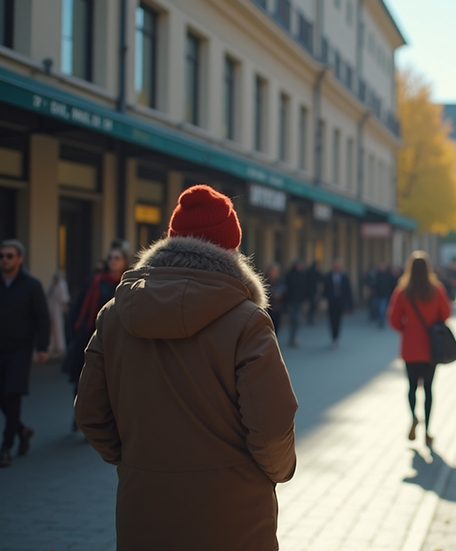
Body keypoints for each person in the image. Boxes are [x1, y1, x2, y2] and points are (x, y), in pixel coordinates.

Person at [74, 184, 297, 551]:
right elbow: (271, 427)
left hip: (144, 508)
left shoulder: (114, 316)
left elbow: (89, 413)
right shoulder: (247, 321)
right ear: (231, 248)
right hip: (234, 513)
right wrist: (277, 472)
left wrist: (137, 461)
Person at [387, 252, 452, 447]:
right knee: (429, 389)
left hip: (410, 348)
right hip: (432, 348)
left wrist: (407, 330)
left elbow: (393, 319)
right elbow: (446, 314)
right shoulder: (437, 289)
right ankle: (428, 430)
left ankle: (414, 417)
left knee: (412, 387)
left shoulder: (402, 291)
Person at [63, 244, 132, 412]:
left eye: (117, 258)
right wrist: (73, 330)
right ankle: (80, 412)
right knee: (83, 376)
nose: (113, 261)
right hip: (89, 334)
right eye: (111, 258)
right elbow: (79, 307)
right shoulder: (94, 281)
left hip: (117, 337)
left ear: (125, 261)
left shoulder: (129, 283)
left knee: (109, 379)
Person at [0, 239, 50, 468]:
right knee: (3, 397)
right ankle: (22, 430)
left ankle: (6, 447)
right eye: (2, 256)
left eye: (9, 256)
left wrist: (42, 347)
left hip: (20, 348)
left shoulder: (31, 285)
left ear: (19, 259)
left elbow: (42, 317)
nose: (4, 260)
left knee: (13, 395)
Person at [323, 258, 354, 349]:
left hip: (341, 302)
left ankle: (336, 337)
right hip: (331, 301)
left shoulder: (344, 276)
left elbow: (348, 290)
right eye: (335, 265)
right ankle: (333, 337)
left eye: (338, 266)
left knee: (338, 320)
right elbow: (325, 289)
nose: (337, 267)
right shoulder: (328, 276)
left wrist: (349, 305)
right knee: (332, 320)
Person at [283, 259, 307, 347]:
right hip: (291, 301)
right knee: (293, 319)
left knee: (297, 320)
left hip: (299, 301)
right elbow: (286, 288)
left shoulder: (303, 275)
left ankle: (293, 337)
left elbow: (305, 287)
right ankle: (292, 337)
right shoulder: (289, 275)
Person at [46, 271, 70, 357]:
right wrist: (65, 307)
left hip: (52, 308)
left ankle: (53, 346)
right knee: (58, 327)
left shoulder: (55, 284)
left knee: (53, 328)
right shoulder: (61, 283)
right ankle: (59, 346)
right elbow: (64, 298)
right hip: (57, 309)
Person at [374, 262, 397, 329]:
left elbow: (392, 285)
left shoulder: (388, 275)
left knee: (382, 309)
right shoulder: (377, 274)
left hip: (385, 295)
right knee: (377, 309)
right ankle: (380, 320)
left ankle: (382, 322)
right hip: (377, 294)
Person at [264, 263, 285, 334]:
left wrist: (280, 293)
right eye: (273, 271)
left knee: (276, 326)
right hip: (268, 307)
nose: (275, 273)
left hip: (277, 307)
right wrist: (273, 294)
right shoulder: (265, 280)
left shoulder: (279, 281)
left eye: (276, 271)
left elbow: (284, 289)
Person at [305, 261, 322, 326]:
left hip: (309, 291)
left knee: (311, 305)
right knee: (313, 305)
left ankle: (309, 318)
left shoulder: (309, 271)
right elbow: (320, 279)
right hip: (313, 291)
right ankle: (310, 318)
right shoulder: (315, 272)